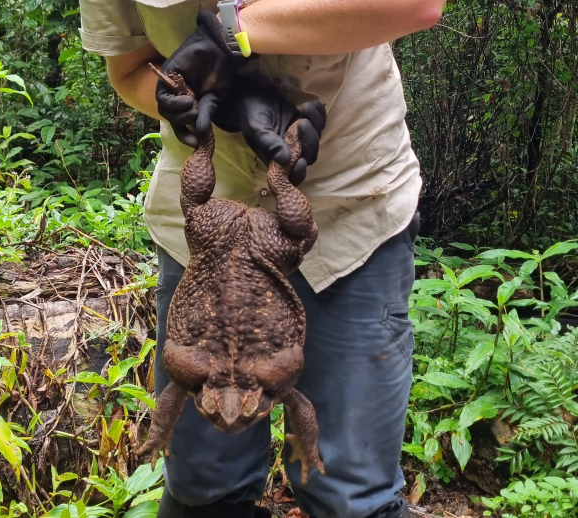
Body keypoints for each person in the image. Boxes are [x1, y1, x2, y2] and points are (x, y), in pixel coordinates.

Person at [78, 1, 445, 517]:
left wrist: (232, 34)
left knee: (351, 495)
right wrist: (185, 101)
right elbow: (129, 69)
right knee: (202, 489)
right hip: (206, 231)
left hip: (349, 203)